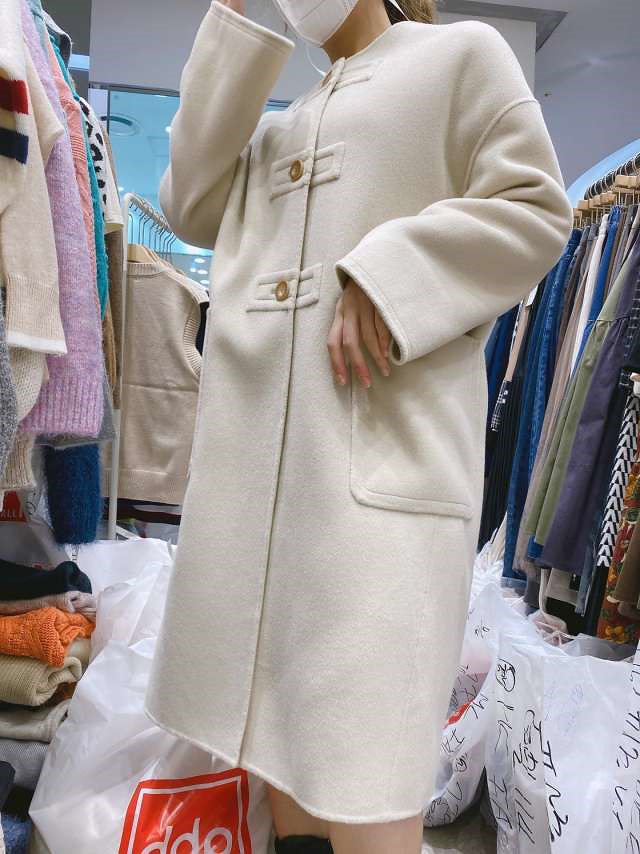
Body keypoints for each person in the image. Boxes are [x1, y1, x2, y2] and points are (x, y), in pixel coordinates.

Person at [146, 0, 573, 850]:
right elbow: (188, 201)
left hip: (377, 505)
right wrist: (233, 21)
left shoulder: (461, 56)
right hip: (258, 514)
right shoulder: (277, 129)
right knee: (281, 774)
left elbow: (534, 207)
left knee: (367, 785)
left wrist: (391, 273)